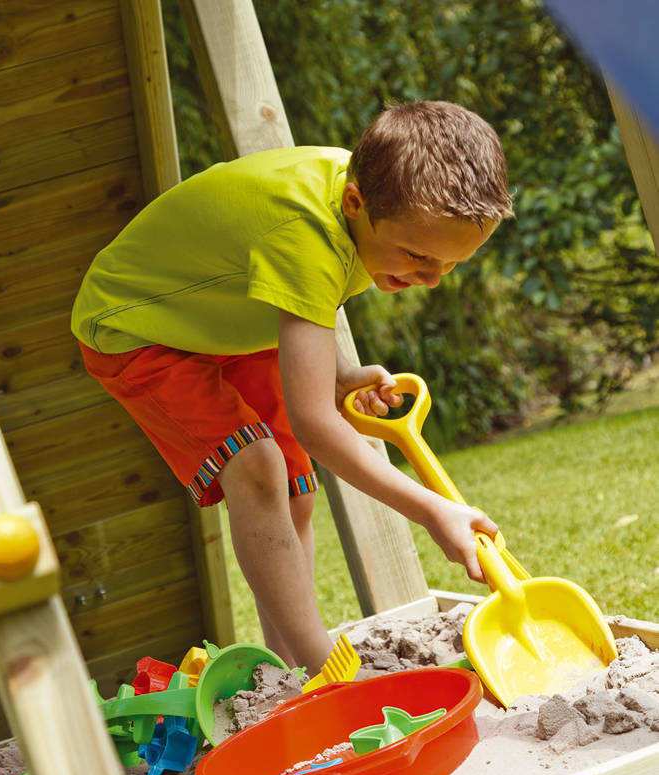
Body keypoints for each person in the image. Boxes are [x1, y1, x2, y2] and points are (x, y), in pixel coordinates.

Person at [72, 100, 513, 676]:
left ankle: (283, 667)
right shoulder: (306, 233)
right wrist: (432, 509)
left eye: (451, 265)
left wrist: (336, 376)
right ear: (356, 204)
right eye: (418, 257)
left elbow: (305, 305)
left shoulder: (371, 194)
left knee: (296, 490)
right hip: (136, 327)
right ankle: (322, 664)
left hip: (224, 321)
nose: (430, 279)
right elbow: (315, 422)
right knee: (257, 467)